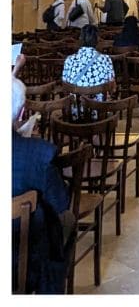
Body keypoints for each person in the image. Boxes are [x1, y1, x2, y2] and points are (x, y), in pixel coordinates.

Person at [12, 79, 74, 294]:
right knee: (67, 220)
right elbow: (61, 203)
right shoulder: (40, 154)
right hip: (26, 264)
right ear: (21, 112)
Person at [61, 24, 115, 92]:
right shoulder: (106, 59)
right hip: (99, 102)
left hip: (76, 101)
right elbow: (112, 87)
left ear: (80, 39)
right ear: (97, 40)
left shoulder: (69, 60)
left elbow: (65, 86)